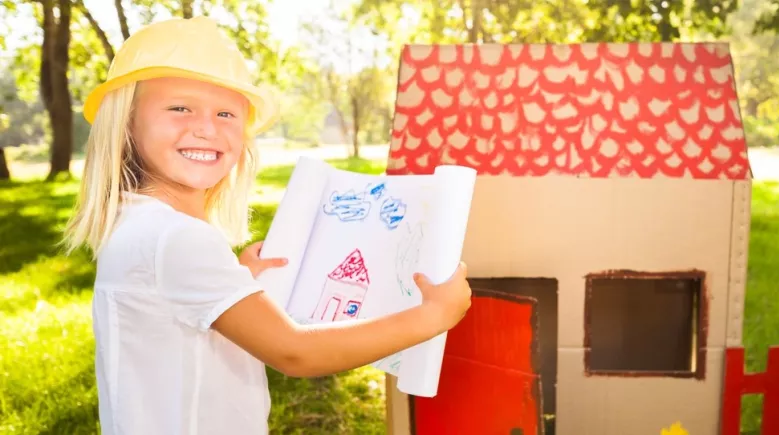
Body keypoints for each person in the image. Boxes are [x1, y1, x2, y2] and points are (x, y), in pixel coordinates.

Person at [60, 16, 473, 435]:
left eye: (226, 113)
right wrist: (431, 315)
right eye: (179, 107)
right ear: (126, 123)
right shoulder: (178, 238)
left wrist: (236, 279)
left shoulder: (137, 222)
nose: (206, 127)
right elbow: (294, 352)